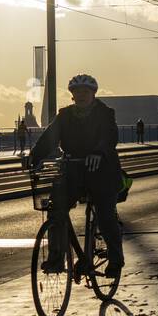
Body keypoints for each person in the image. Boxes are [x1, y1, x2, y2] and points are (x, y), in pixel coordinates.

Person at [29, 73, 125, 276]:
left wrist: (99, 152)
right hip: (73, 169)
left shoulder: (105, 113)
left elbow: (110, 135)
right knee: (57, 210)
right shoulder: (65, 115)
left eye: (85, 92)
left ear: (93, 94)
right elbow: (50, 138)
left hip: (102, 171)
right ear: (72, 95)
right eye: (77, 92)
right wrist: (34, 156)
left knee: (106, 214)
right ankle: (56, 258)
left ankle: (116, 260)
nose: (81, 95)